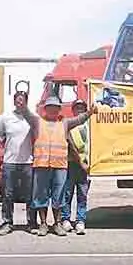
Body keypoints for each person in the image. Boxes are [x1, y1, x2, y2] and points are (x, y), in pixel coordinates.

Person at [31, 95, 96, 236]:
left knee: (58, 196)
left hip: (60, 165)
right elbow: (26, 114)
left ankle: (57, 224)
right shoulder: (38, 122)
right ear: (45, 109)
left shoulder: (64, 123)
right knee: (41, 196)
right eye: (50, 107)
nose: (52, 110)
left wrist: (90, 113)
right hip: (42, 165)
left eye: (55, 107)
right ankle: (43, 224)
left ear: (59, 109)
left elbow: (80, 119)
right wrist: (22, 104)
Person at [0, 89, 41, 235]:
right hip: (9, 162)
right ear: (14, 101)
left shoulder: (33, 118)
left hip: (28, 162)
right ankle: (7, 222)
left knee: (30, 195)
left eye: (22, 99)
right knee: (8, 194)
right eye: (17, 99)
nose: (19, 102)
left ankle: (31, 223)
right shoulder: (6, 117)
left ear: (26, 101)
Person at [63, 99, 91, 235]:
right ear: (73, 109)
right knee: (67, 194)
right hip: (72, 164)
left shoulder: (91, 125)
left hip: (87, 166)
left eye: (82, 107)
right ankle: (66, 219)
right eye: (77, 107)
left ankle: (80, 220)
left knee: (83, 194)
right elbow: (70, 146)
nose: (79, 109)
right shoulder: (69, 124)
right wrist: (81, 162)